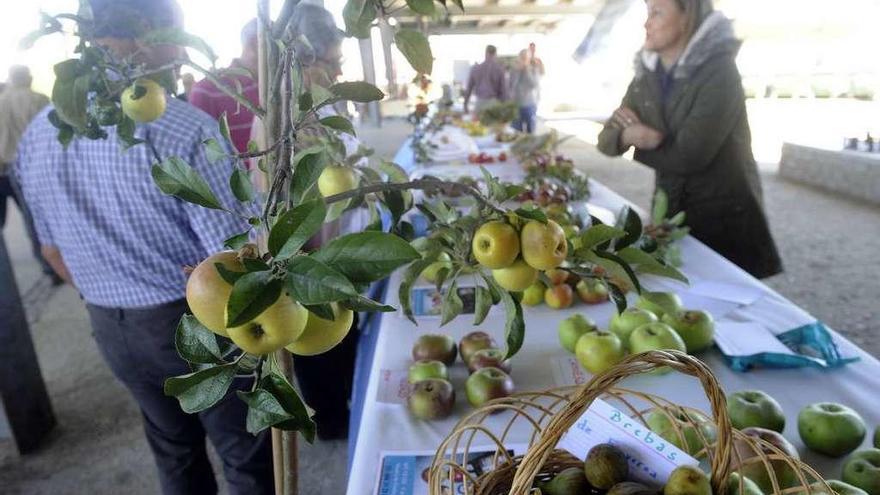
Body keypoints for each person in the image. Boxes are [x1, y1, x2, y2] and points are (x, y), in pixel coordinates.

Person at [15, 1, 272, 493]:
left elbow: (50, 252)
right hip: (192, 323)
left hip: (111, 326)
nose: (179, 53)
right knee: (245, 454)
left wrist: (113, 286)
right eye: (175, 37)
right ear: (145, 38)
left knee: (174, 451)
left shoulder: (42, 133)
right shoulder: (180, 128)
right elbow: (241, 257)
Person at [597, 0, 782, 279]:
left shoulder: (720, 73)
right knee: (676, 298)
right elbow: (606, 139)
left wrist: (640, 147)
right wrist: (628, 134)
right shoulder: (646, 76)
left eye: (657, 12)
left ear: (687, 18)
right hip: (670, 209)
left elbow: (689, 157)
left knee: (724, 306)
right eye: (647, 13)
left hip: (724, 219)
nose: (646, 23)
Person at [0, 66, 57, 282]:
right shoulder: (39, 100)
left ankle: (47, 266)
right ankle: (54, 264)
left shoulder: (1, 101)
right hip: (33, 165)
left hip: (5, 168)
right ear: (29, 78)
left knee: (29, 219)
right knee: (37, 216)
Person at [189, 19, 260, 154]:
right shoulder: (206, 90)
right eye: (280, 47)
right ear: (255, 44)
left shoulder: (279, 85)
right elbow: (203, 152)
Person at [463, 45, 508, 115]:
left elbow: (469, 88)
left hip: (479, 103)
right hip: (493, 104)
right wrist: (504, 108)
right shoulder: (499, 70)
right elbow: (503, 91)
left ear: (485, 53)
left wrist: (465, 105)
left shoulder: (476, 69)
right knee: (492, 125)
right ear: (495, 54)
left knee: (477, 125)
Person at [509, 50, 540, 134]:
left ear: (529, 59)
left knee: (531, 132)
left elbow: (533, 85)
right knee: (516, 132)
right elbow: (511, 85)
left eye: (525, 58)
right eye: (521, 58)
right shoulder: (514, 70)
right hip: (516, 106)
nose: (523, 60)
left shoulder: (533, 70)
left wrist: (527, 70)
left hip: (529, 105)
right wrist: (517, 71)